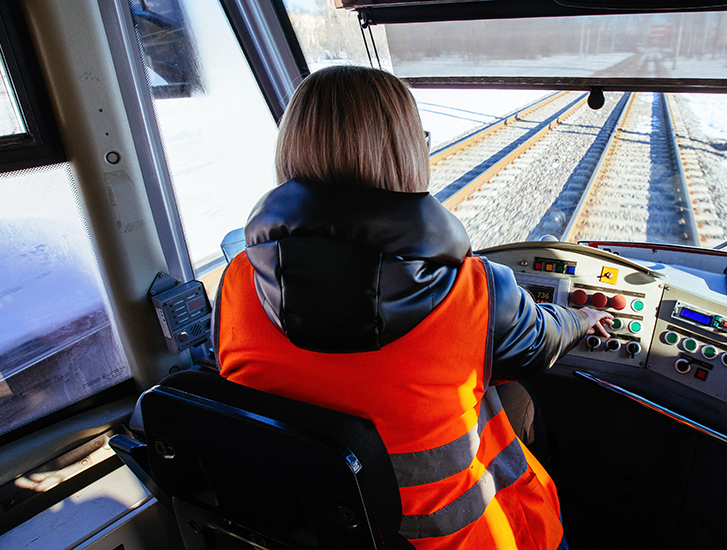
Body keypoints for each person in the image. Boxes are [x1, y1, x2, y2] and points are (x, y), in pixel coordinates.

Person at [213, 65, 612, 550]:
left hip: (318, 530)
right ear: (407, 149)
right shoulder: (476, 290)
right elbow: (540, 346)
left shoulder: (236, 282)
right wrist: (582, 317)